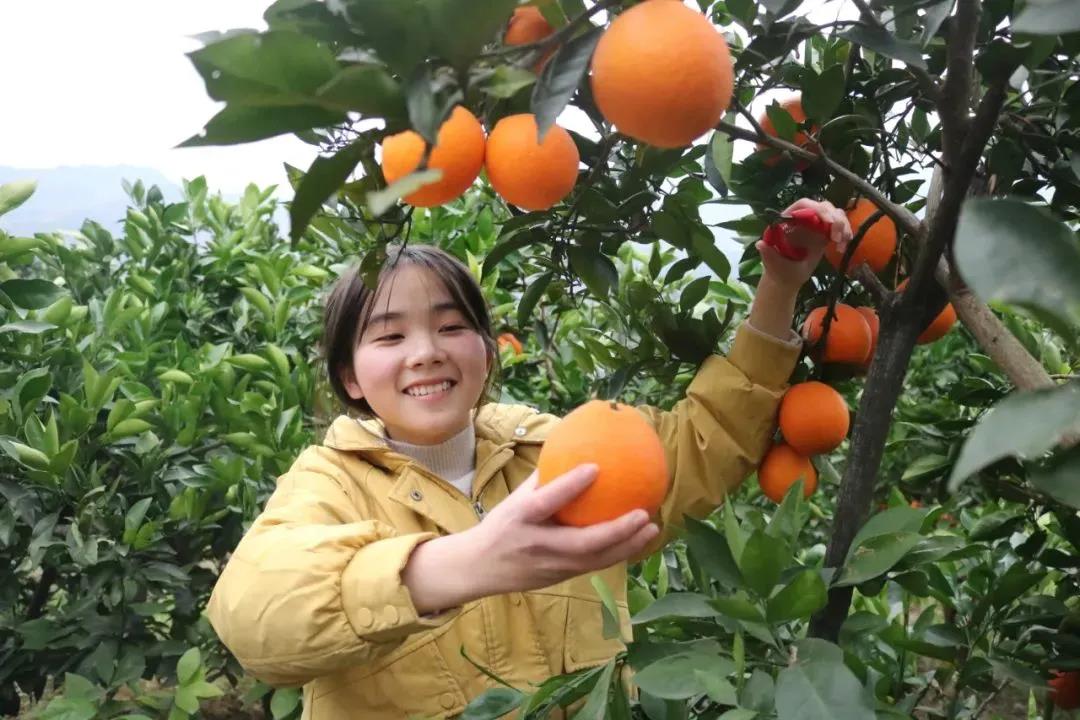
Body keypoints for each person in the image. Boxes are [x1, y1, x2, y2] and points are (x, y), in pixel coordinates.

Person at [205, 199, 853, 719]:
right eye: (391, 334)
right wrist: (453, 567)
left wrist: (779, 285)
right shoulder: (331, 483)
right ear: (350, 376)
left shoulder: (552, 450)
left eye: (451, 327)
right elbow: (255, 617)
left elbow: (701, 445)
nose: (426, 351)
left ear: (487, 352)